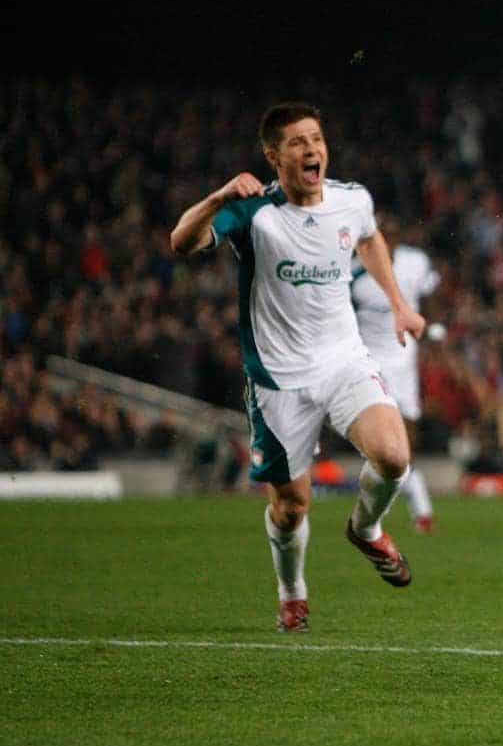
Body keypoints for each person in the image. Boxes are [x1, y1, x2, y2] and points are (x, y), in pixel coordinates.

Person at [170, 102, 426, 633]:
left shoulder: (352, 200)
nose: (313, 150)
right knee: (292, 507)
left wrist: (399, 303)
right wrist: (218, 196)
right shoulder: (252, 212)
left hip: (344, 360)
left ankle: (367, 528)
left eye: (317, 138)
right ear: (273, 156)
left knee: (394, 455)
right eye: (297, 143)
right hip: (278, 378)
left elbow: (371, 237)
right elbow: (182, 242)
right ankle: (292, 591)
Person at [351, 218, 440, 532]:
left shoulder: (416, 262)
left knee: (405, 444)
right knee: (383, 446)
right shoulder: (355, 271)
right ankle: (415, 510)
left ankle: (414, 510)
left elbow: (430, 302)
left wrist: (431, 331)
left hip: (404, 361)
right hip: (368, 363)